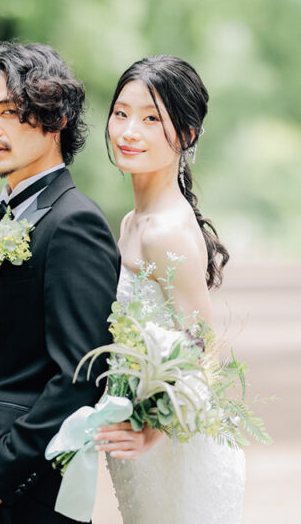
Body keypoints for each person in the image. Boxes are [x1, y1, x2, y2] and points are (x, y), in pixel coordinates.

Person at [0, 41, 119, 524]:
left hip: (20, 496)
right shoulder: (14, 213)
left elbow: (82, 376)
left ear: (55, 117)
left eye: (10, 111)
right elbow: (15, 354)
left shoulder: (74, 223)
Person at [93, 56, 247, 523]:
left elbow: (204, 352)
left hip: (172, 453)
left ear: (187, 135)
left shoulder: (166, 232)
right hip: (140, 450)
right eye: (121, 113)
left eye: (150, 118)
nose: (128, 131)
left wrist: (151, 430)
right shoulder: (131, 221)